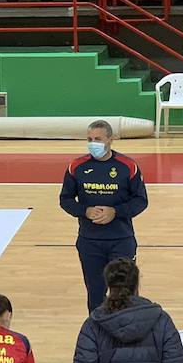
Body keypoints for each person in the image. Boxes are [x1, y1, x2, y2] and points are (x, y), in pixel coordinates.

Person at [60, 120, 149, 312]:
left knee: (125, 294)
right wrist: (85, 211)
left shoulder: (128, 166)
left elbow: (141, 201)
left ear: (111, 139)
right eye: (90, 139)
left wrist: (115, 212)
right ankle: (98, 336)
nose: (93, 143)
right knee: (95, 294)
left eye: (98, 139)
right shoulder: (76, 167)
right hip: (89, 241)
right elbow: (65, 199)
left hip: (121, 240)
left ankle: (128, 333)